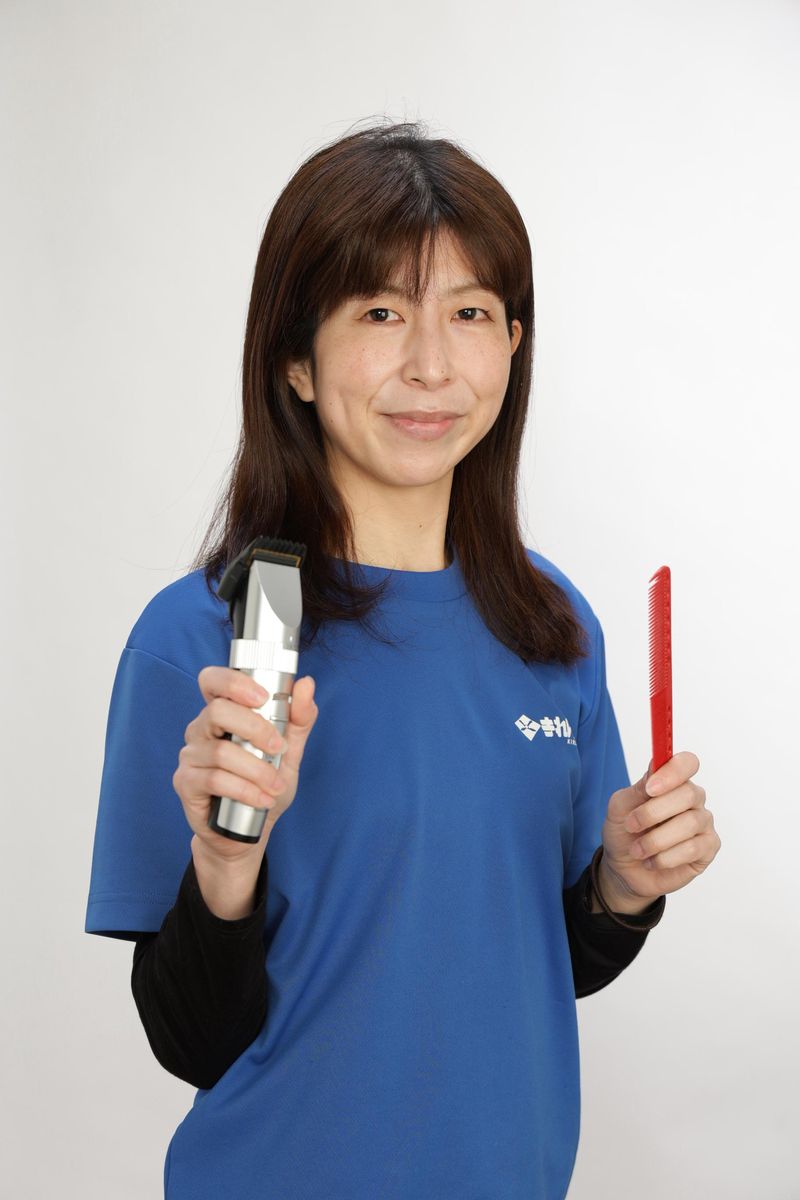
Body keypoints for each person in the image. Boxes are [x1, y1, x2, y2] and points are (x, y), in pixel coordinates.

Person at [84, 118, 719, 1200]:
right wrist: (227, 865)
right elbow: (189, 1040)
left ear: (512, 344)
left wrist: (621, 887)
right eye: (379, 312)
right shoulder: (200, 640)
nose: (430, 364)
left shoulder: (552, 625)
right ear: (294, 358)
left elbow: (539, 968)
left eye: (468, 313)